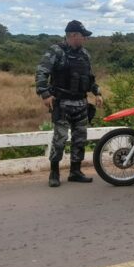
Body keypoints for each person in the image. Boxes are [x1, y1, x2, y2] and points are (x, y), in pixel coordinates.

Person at [35, 20, 103, 187]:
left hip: (81, 102)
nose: (84, 39)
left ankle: (75, 171)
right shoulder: (56, 51)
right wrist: (44, 94)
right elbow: (41, 72)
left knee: (80, 138)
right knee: (60, 139)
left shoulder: (85, 54)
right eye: (82, 36)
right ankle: (54, 172)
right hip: (62, 103)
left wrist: (97, 92)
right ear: (72, 36)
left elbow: (89, 77)